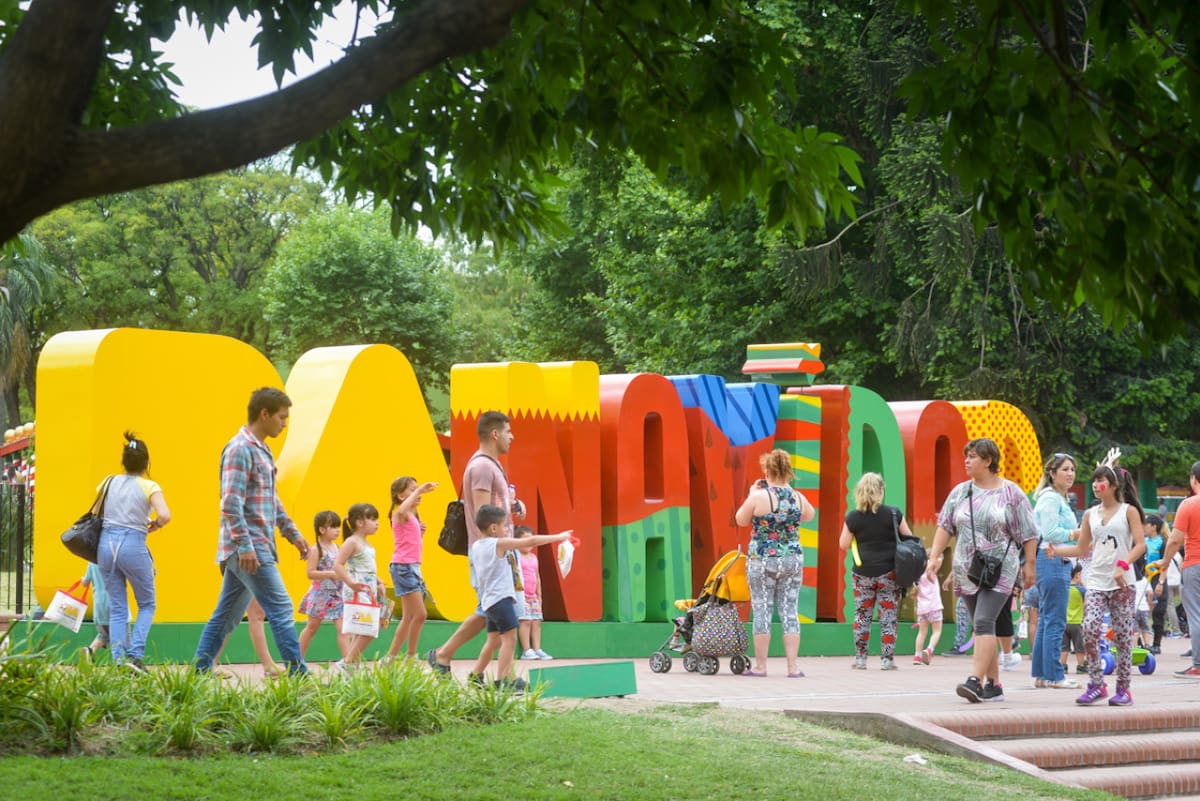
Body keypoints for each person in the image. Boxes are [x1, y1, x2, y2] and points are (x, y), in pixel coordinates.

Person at [194, 387, 311, 676]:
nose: (285, 423)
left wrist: (292, 533)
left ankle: (199, 670)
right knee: (281, 608)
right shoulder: (240, 449)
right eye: (282, 417)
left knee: (227, 615)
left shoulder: (263, 449)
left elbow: (270, 499)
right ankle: (298, 675)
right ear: (264, 414)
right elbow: (230, 502)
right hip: (248, 546)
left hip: (255, 544)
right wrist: (244, 546)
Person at [925, 437, 1038, 703]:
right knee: (981, 625)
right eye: (966, 456)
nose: (967, 461)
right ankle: (995, 685)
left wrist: (1030, 565)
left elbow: (1029, 532)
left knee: (984, 622)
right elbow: (945, 525)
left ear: (989, 461)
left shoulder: (1011, 493)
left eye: (973, 456)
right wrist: (934, 556)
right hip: (968, 569)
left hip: (1002, 568)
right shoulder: (961, 492)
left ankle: (975, 681)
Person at [428, 411, 526, 674]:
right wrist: (502, 547)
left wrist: (512, 505)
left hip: (498, 551)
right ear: (495, 434)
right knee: (488, 610)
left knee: (492, 614)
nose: (511, 436)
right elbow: (484, 517)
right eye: (508, 431)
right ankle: (443, 654)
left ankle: (475, 672)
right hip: (491, 554)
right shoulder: (482, 466)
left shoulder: (491, 465)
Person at [1048, 465, 1146, 705]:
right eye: (1093, 480)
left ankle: (1123, 689)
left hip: (1123, 584)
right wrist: (1057, 550)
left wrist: (1123, 564)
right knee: (1089, 628)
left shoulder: (1129, 511)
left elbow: (1140, 545)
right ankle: (1096, 685)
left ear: (1114, 485)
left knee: (1123, 637)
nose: (1095, 485)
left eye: (1100, 480)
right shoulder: (1090, 514)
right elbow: (1082, 548)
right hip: (1096, 582)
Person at [466, 505, 572, 689]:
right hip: (501, 600)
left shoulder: (477, 545)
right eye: (504, 526)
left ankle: (476, 675)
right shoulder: (497, 544)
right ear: (493, 528)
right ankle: (503, 680)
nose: (507, 530)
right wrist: (559, 537)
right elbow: (531, 541)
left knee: (493, 640)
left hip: (488, 601)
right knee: (510, 639)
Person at [735, 448, 816, 678]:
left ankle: (761, 666)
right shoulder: (797, 497)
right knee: (790, 611)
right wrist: (789, 491)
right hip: (792, 560)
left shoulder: (759, 497)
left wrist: (752, 494)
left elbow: (740, 520)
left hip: (762, 560)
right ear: (788, 472)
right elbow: (810, 515)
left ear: (767, 471)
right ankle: (792, 667)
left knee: (762, 610)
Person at [98, 432, 172, 673]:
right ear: (146, 463)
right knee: (147, 604)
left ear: (124, 461)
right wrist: (155, 525)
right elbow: (164, 515)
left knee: (118, 606)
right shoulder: (149, 486)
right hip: (132, 545)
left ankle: (118, 661)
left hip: (105, 546)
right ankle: (135, 655)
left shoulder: (108, 482)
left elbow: (98, 512)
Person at [838, 472, 913, 670]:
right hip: (889, 573)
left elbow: (843, 544)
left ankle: (861, 659)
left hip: (862, 573)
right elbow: (909, 538)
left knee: (862, 614)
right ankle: (887, 660)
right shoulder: (894, 514)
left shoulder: (853, 517)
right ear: (881, 491)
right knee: (888, 616)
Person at [1031, 452, 1080, 689]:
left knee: (1046, 618)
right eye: (1065, 469)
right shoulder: (1051, 498)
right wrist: (1076, 534)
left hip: (1053, 560)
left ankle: (1042, 674)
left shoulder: (1059, 498)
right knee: (1055, 620)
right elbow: (1050, 532)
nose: (1070, 474)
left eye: (1072, 469)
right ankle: (1055, 676)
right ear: (1052, 473)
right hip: (1052, 559)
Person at [384, 476, 438, 662]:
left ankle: (391, 657)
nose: (417, 492)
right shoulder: (400, 513)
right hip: (404, 568)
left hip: (410, 567)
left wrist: (420, 535)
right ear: (400, 495)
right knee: (420, 614)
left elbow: (412, 545)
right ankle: (411, 655)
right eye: (411, 489)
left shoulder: (411, 517)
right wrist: (420, 490)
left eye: (416, 488)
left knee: (409, 617)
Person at [1156, 460, 1200, 677]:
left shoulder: (1190, 505)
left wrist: (1165, 562)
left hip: (1195, 564)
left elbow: (1174, 540)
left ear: (1193, 479)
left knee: (1196, 615)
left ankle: (1198, 665)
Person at [332, 503, 386, 673]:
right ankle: (347, 663)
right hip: (357, 589)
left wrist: (378, 582)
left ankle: (352, 663)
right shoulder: (352, 542)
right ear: (360, 522)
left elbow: (367, 567)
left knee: (362, 628)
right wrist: (350, 583)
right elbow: (338, 565)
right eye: (372, 519)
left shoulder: (366, 544)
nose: (377, 523)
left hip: (367, 589)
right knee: (369, 628)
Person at [298, 510, 349, 660]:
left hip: (336, 594)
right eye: (333, 527)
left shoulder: (337, 547)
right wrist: (330, 574)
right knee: (311, 628)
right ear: (322, 529)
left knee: (343, 629)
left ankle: (349, 664)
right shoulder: (316, 550)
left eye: (338, 527)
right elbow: (310, 573)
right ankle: (297, 660)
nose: (337, 530)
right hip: (321, 595)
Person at [514, 526, 553, 660]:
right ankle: (526, 650)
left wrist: (539, 595)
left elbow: (537, 576)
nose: (528, 543)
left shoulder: (534, 557)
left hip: (533, 596)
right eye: (525, 540)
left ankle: (537, 649)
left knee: (536, 621)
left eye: (531, 540)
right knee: (525, 621)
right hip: (522, 595)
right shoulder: (516, 555)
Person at [1145, 514, 1168, 653]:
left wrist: (1160, 582)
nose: (1144, 527)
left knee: (1158, 612)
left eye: (1146, 524)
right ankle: (1143, 641)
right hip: (1144, 578)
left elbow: (1165, 564)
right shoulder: (1143, 542)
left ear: (1153, 527)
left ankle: (1156, 644)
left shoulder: (1162, 543)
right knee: (1142, 610)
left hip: (1157, 577)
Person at [912, 572, 943, 665]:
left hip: (922, 609)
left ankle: (917, 656)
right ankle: (929, 650)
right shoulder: (931, 574)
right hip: (934, 607)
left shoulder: (916, 576)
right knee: (937, 631)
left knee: (921, 633)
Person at [1061, 564, 1087, 673]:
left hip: (1064, 622)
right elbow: (1087, 603)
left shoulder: (1063, 589)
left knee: (1064, 646)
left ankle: (1062, 665)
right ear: (1077, 575)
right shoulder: (1081, 590)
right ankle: (1081, 665)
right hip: (1076, 622)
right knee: (1079, 646)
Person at [81, 562, 111, 656]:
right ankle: (125, 661)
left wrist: (82, 580)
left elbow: (85, 583)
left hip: (99, 604)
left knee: (103, 634)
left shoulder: (91, 563)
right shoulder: (113, 559)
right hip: (114, 600)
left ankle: (89, 651)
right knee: (123, 632)